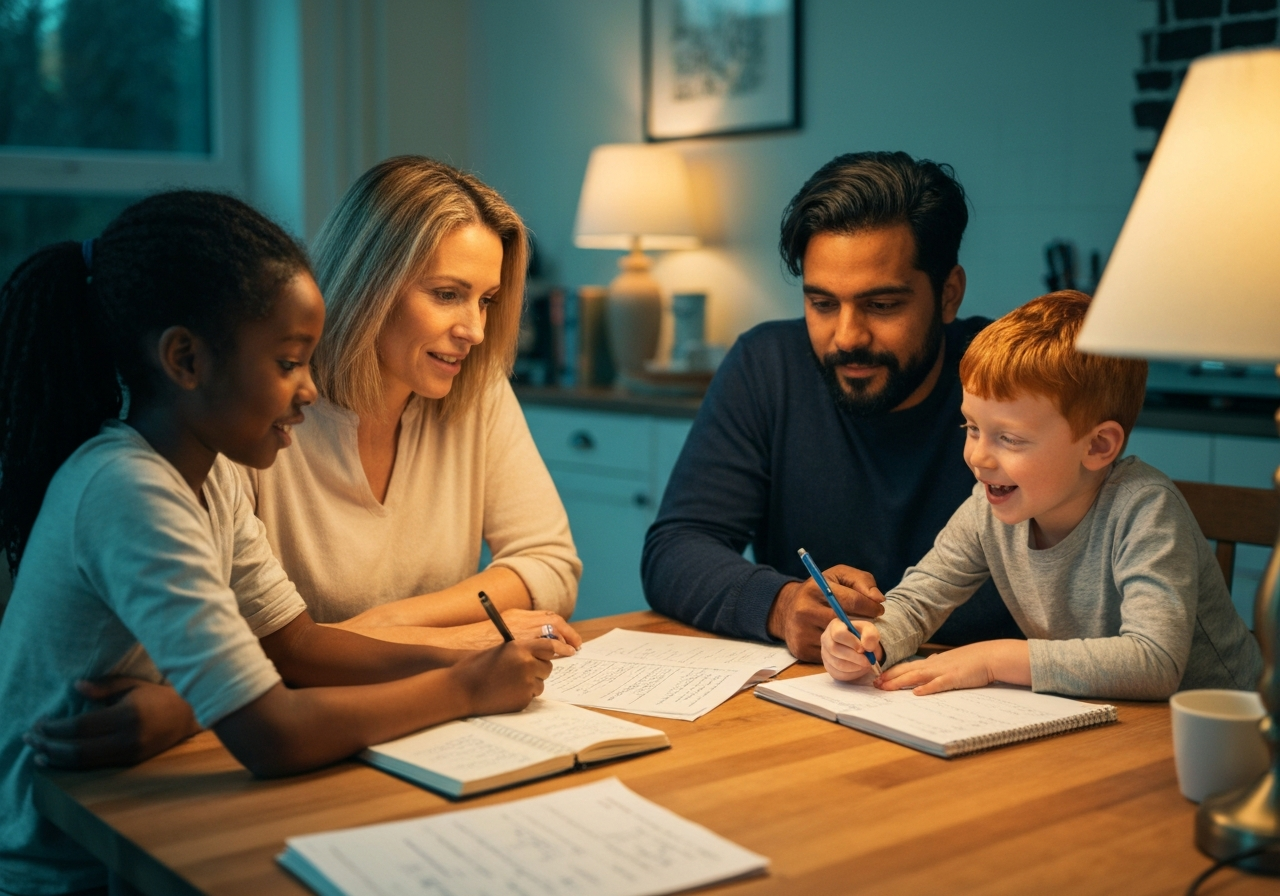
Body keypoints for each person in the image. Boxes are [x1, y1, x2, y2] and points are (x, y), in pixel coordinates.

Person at [0, 192, 555, 895]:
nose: (308, 390)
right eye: (289, 362)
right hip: (63, 863)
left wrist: (465, 654)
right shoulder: (129, 490)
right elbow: (275, 735)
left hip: (138, 823)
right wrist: (463, 686)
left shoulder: (208, 476)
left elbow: (296, 645)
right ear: (186, 359)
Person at [642, 151, 1022, 662]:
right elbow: (677, 548)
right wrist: (780, 605)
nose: (846, 337)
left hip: (993, 693)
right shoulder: (767, 367)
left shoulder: (1016, 378)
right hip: (822, 697)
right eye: (822, 304)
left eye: (882, 305)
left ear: (948, 295)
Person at [821, 291, 1262, 699]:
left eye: (1009, 439)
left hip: (1232, 735)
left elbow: (1155, 661)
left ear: (1097, 446)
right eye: (971, 428)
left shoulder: (1145, 510)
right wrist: (869, 642)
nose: (978, 457)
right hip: (1112, 723)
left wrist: (995, 659)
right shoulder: (988, 508)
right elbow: (918, 601)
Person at [245, 156, 582, 648]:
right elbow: (228, 647)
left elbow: (551, 564)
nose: (476, 332)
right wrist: (452, 637)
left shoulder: (478, 389)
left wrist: (389, 625)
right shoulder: (256, 406)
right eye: (447, 294)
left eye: (486, 300)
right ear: (367, 286)